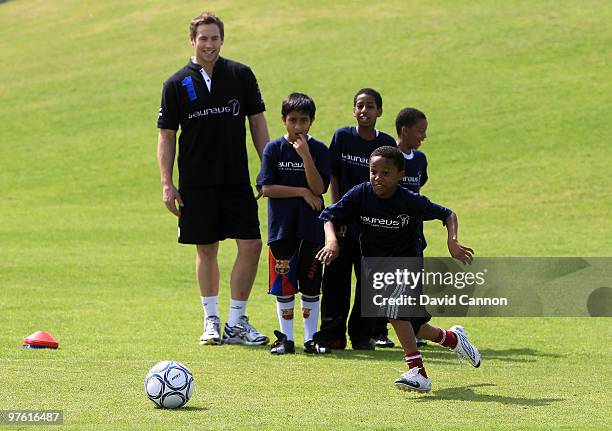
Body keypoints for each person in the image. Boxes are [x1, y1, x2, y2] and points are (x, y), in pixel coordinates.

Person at [316, 146, 481, 393]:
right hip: (376, 268)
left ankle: (418, 373)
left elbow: (448, 214)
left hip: (407, 264)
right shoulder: (361, 194)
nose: (377, 178)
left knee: (395, 313)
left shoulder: (408, 200)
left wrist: (453, 240)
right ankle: (454, 339)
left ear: (400, 175)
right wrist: (331, 240)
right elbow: (329, 215)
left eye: (385, 173)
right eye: (373, 171)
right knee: (413, 325)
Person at [156, 12, 270, 346]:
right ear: (192, 40)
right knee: (206, 249)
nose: (209, 44)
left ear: (223, 39)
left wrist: (267, 167)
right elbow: (166, 136)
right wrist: (167, 182)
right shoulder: (175, 84)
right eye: (203, 38)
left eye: (215, 38)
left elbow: (257, 123)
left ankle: (236, 323)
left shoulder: (241, 74)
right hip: (196, 182)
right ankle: (211, 320)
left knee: (251, 245)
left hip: (236, 179)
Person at [315, 88, 397, 351]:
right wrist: (338, 212)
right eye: (360, 106)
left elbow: (392, 183)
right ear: (354, 110)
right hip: (343, 223)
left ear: (379, 112)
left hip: (373, 227)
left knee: (369, 284)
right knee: (335, 282)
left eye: (370, 106)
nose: (364, 111)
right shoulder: (342, 137)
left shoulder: (386, 143)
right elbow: (334, 177)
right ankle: (332, 335)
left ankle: (362, 337)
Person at [257, 93, 331, 355]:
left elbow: (319, 187)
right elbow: (267, 188)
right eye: (293, 120)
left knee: (311, 284)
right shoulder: (273, 149)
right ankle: (286, 339)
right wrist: (301, 193)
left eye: (304, 120)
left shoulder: (320, 150)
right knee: (284, 284)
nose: (298, 126)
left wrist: (306, 157)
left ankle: (311, 339)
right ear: (283, 120)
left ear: (312, 121)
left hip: (311, 229)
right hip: (282, 228)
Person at [387, 107, 430, 348]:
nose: (423, 136)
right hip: (390, 232)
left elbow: (420, 187)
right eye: (420, 131)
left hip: (414, 233)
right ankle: (381, 332)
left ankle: (417, 330)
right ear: (405, 130)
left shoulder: (421, 160)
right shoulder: (389, 157)